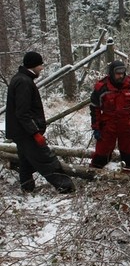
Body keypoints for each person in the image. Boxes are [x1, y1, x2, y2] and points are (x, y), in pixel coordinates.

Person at [5, 51, 76, 194]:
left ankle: (27, 188)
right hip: (26, 133)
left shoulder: (21, 79)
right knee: (46, 159)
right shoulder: (24, 82)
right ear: (33, 65)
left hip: (21, 132)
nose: (42, 68)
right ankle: (66, 187)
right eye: (40, 65)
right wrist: (35, 132)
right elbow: (22, 113)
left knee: (25, 160)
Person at [89, 60, 130, 170]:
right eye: (117, 73)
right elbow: (95, 108)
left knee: (129, 151)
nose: (120, 76)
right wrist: (96, 127)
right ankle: (94, 173)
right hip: (108, 123)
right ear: (111, 73)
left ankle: (129, 173)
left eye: (122, 73)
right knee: (103, 151)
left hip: (126, 123)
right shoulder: (102, 87)